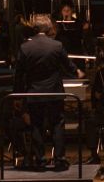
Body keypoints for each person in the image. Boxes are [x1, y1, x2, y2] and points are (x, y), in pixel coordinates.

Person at [14, 14, 81, 171]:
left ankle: (40, 160)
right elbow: (68, 66)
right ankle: (59, 159)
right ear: (48, 28)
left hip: (34, 94)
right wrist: (77, 72)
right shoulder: (56, 45)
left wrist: (17, 96)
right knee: (57, 124)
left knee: (36, 125)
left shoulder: (25, 47)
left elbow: (19, 75)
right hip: (54, 93)